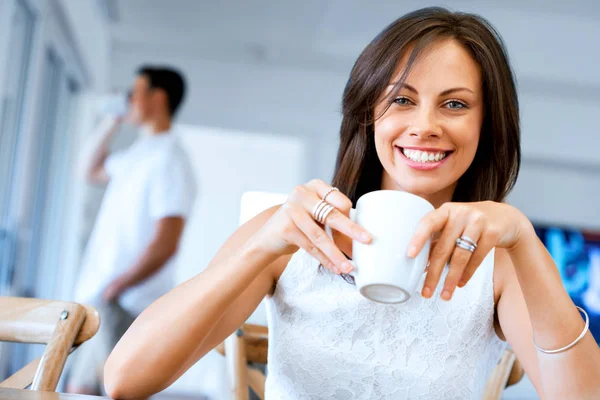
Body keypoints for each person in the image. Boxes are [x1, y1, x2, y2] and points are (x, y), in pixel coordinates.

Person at [104, 8, 600, 400]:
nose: (425, 125)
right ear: (368, 115)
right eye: (402, 99)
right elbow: (126, 380)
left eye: (455, 104)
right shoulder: (286, 231)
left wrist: (522, 236)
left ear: (486, 126)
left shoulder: (500, 266)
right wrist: (262, 246)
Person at [67, 66, 196, 395]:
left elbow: (167, 241)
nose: (128, 99)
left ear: (158, 97)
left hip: (126, 302)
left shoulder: (170, 160)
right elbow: (88, 169)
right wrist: (113, 119)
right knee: (79, 388)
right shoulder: (139, 154)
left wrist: (118, 287)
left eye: (134, 92)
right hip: (103, 297)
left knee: (116, 391)